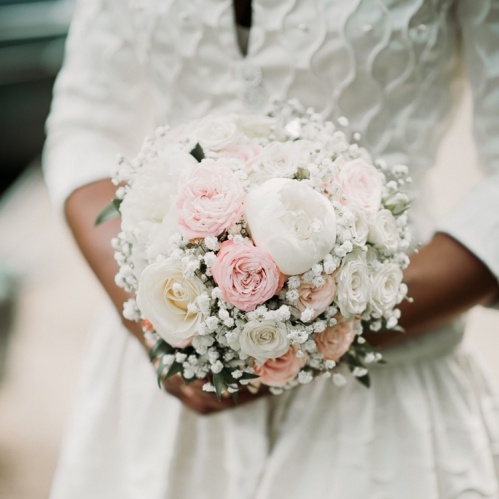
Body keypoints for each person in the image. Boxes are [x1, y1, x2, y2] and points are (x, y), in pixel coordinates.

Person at [43, 0, 499, 497]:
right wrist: (156, 320)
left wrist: (329, 324)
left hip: (386, 379)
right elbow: (85, 127)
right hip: (170, 371)